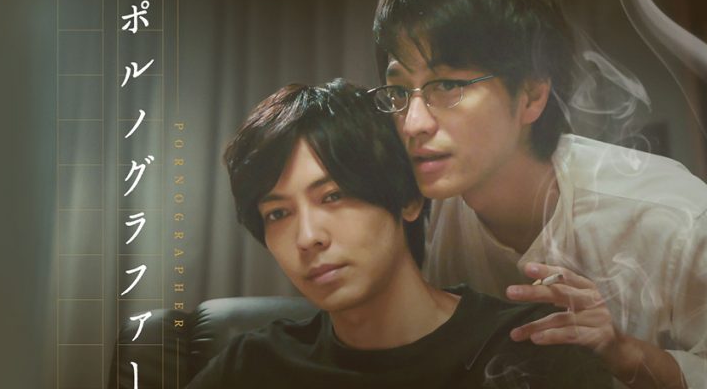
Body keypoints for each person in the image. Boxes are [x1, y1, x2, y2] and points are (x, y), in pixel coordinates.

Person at [369, 0, 707, 388]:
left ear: (532, 95)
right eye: (400, 90)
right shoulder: (426, 208)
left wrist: (625, 353)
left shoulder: (670, 212)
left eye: (447, 86)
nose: (413, 123)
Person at [185, 79, 612, 388]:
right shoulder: (254, 366)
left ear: (407, 199)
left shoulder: (530, 346)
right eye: (278, 213)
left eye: (333, 196)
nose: (308, 237)